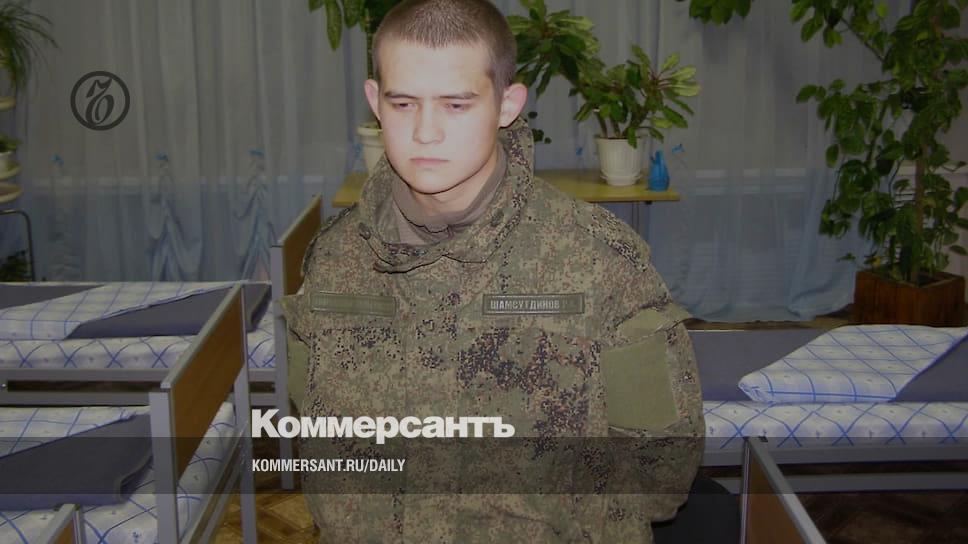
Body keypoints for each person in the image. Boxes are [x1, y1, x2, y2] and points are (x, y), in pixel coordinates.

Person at [281, 0, 704, 541]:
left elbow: (660, 472)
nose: (426, 132)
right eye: (404, 103)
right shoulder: (335, 261)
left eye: (456, 105)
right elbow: (319, 443)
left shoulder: (598, 261)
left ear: (507, 105)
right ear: (374, 102)